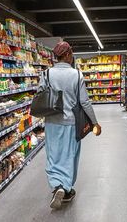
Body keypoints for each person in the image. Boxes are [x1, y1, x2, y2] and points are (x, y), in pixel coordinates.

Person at [43, 41, 101, 209]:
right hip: (71, 122)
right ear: (67, 55)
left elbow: (41, 95)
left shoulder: (46, 74)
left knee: (53, 154)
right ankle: (66, 188)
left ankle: (57, 185)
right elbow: (84, 102)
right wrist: (95, 122)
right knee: (70, 155)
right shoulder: (77, 75)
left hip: (52, 121)